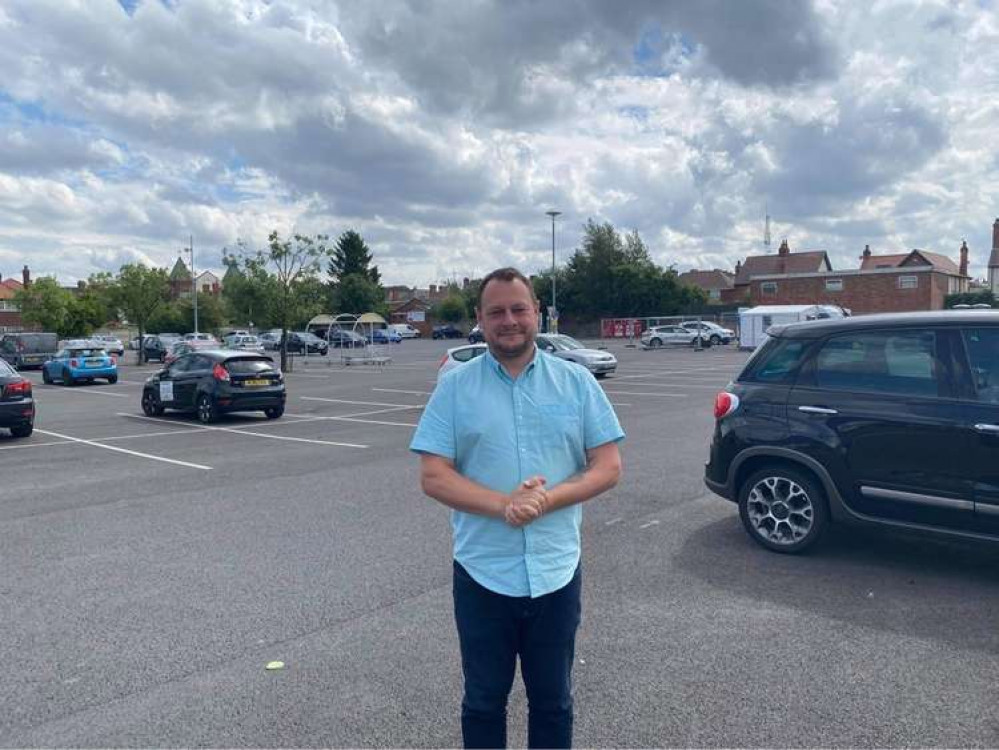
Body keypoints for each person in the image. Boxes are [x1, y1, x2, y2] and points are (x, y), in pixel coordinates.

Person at [410, 266, 625, 749]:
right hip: (483, 574)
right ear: (480, 320)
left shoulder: (576, 382)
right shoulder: (455, 388)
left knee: (554, 703)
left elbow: (607, 466)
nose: (509, 320)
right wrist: (504, 504)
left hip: (555, 571)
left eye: (518, 309)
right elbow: (434, 475)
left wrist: (547, 499)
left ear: (539, 314)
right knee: (484, 702)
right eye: (496, 312)